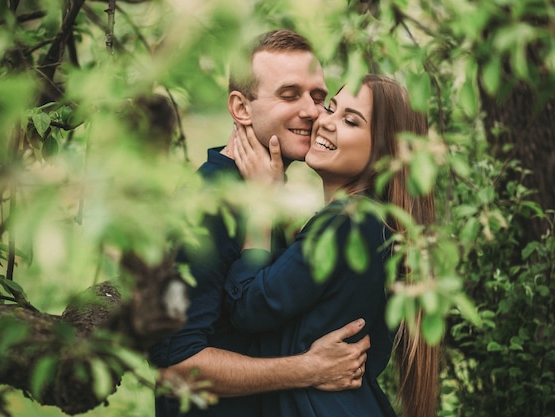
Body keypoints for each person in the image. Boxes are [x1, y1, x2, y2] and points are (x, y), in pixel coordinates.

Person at [149, 30, 371, 417]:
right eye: (289, 95)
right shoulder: (208, 202)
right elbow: (174, 367)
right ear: (241, 108)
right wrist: (307, 369)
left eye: (319, 97)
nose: (313, 111)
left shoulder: (263, 194)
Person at [225, 74, 441, 417]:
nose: (324, 122)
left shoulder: (346, 223)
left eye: (350, 121)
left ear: (385, 154)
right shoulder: (381, 225)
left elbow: (249, 309)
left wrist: (260, 206)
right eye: (332, 108)